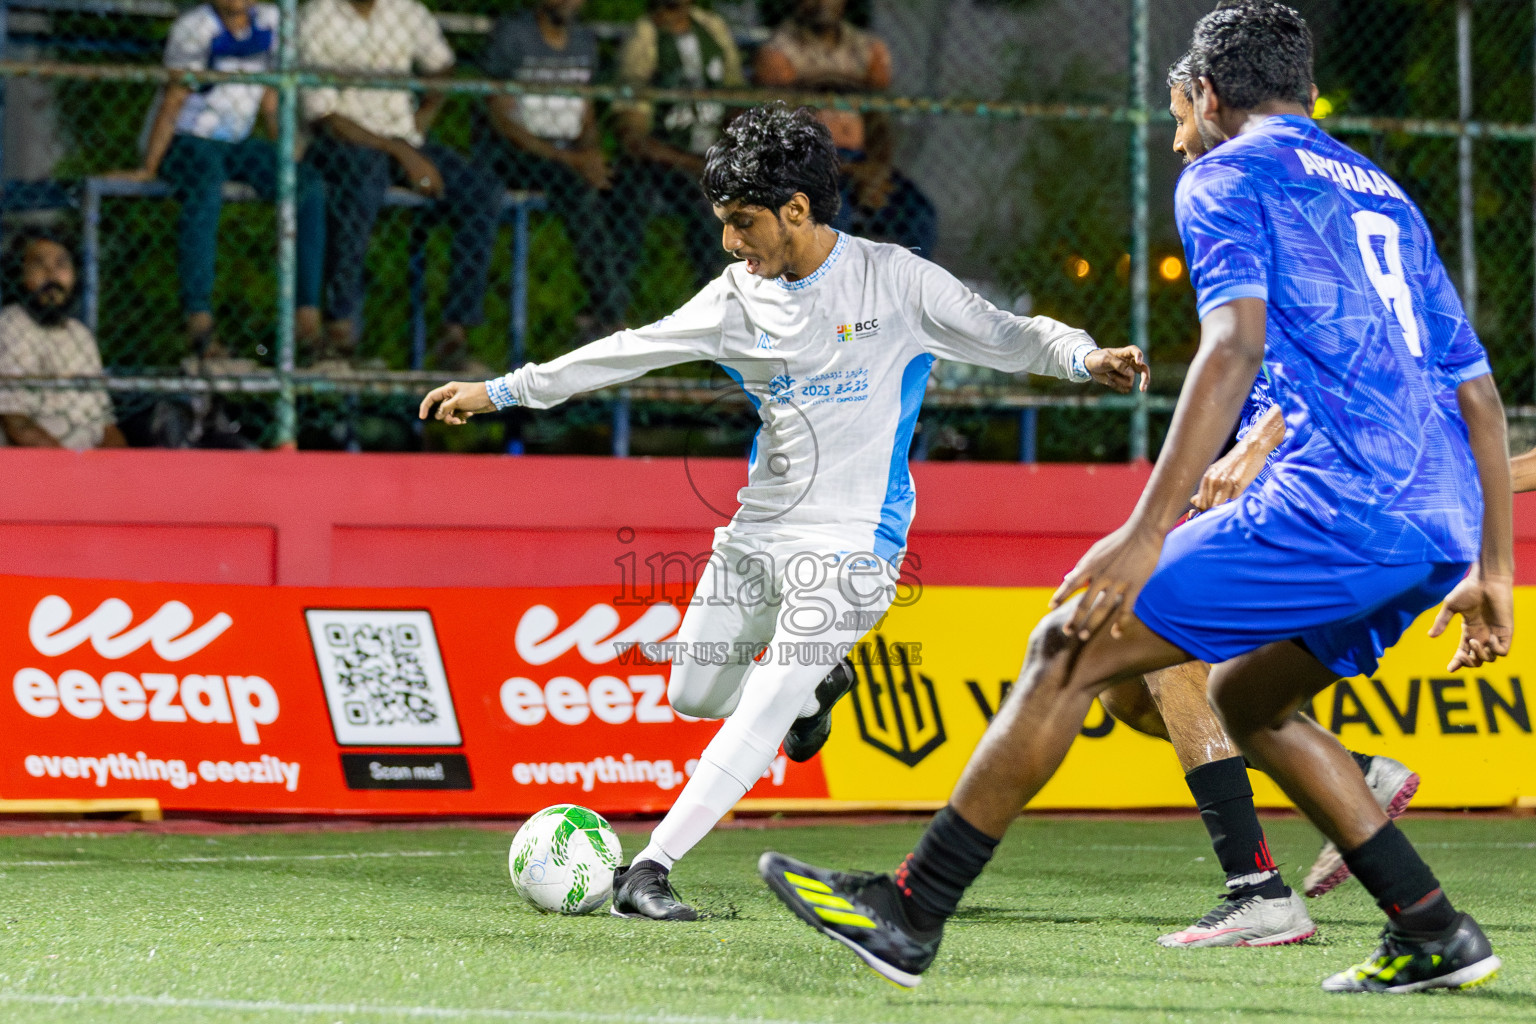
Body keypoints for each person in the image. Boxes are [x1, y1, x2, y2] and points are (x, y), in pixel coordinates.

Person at [759, 2, 1510, 995]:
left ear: (1206, 93)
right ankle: (1432, 928)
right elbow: (1479, 393)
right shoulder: (1382, 193)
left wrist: (1143, 532)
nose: (1176, 134)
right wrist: (1493, 566)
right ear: (1306, 91)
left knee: (1070, 640)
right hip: (1439, 520)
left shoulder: (1226, 174)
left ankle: (911, 908)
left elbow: (1233, 345)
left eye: (1179, 111)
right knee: (1248, 698)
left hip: (1341, 502)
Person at [421, 103, 1149, 921]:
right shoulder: (737, 298)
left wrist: (1084, 356)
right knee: (695, 694)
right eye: (725, 225)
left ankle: (650, 869)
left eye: (743, 224)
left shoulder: (895, 281)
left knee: (765, 695)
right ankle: (815, 695)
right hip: (758, 530)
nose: (731, 244)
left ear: (796, 211)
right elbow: (624, 351)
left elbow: (1007, 334)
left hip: (856, 543)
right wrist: (503, 391)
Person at [111, 0, 325, 358]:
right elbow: (174, 100)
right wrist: (149, 167)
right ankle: (199, 318)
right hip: (187, 138)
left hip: (235, 142)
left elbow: (270, 100)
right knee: (205, 186)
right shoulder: (194, 28)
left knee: (307, 184)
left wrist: (283, 155)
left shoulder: (273, 22)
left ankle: (306, 315)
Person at [299, 0, 500, 370]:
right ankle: (340, 326)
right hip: (344, 142)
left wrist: (424, 116)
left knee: (482, 191)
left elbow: (442, 64)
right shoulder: (319, 15)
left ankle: (454, 334)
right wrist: (401, 153)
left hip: (404, 138)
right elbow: (325, 117)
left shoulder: (405, 9)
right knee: (364, 183)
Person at [476, 0, 627, 341]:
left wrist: (590, 154)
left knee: (628, 187)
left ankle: (599, 311)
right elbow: (501, 119)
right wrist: (575, 162)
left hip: (569, 154)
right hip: (519, 154)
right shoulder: (512, 35)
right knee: (575, 186)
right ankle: (610, 311)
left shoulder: (583, 40)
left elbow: (586, 111)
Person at [754, 0, 936, 259]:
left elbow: (878, 121)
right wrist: (847, 170)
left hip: (861, 163)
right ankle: (834, 295)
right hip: (807, 165)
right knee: (834, 213)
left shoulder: (866, 49)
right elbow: (782, 133)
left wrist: (876, 171)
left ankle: (908, 295)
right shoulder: (779, 52)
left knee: (919, 214)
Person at [612, 0, 744, 295]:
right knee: (704, 202)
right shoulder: (644, 36)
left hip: (712, 156)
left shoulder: (713, 29)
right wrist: (693, 164)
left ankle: (740, 304)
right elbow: (632, 134)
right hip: (662, 160)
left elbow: (737, 100)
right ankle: (613, 308)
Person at [0, 231, 126, 448]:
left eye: (61, 264)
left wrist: (116, 471)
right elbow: (16, 422)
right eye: (39, 265)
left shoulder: (81, 335)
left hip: (87, 461)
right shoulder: (11, 323)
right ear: (21, 276)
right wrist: (70, 472)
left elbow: (107, 426)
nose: (51, 274)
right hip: (39, 463)